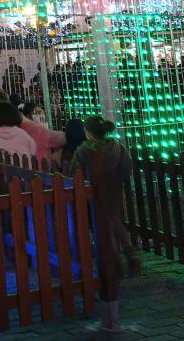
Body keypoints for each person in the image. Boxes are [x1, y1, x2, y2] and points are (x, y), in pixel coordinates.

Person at [70, 116, 138, 275]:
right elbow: (127, 166)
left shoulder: (85, 149)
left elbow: (75, 170)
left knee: (101, 225)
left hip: (93, 191)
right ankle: (129, 250)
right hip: (114, 188)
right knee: (114, 219)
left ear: (87, 132)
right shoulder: (117, 146)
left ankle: (114, 261)